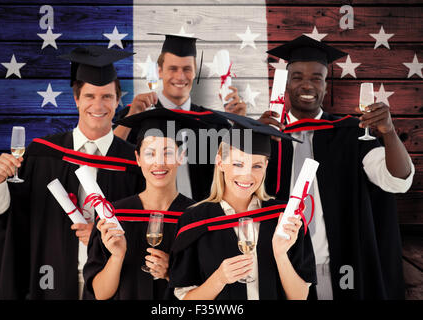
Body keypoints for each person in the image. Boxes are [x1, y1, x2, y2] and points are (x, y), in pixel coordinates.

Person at [0, 46, 144, 299]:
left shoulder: (136, 162)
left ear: (118, 100)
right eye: (90, 96)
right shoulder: (42, 154)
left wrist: (99, 240)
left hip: (114, 285)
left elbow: (150, 226)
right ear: (77, 99)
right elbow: (5, 213)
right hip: (52, 283)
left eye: (107, 97)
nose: (98, 105)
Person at [260, 35, 415, 299]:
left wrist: (388, 132)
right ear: (286, 84)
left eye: (316, 78)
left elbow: (398, 181)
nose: (307, 84)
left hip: (338, 266)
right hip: (280, 266)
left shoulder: (350, 134)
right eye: (297, 76)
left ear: (326, 86)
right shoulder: (266, 135)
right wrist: (250, 135)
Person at [169, 111, 316, 300]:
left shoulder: (284, 217)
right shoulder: (194, 220)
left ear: (266, 167)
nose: (247, 175)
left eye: (257, 166)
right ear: (220, 162)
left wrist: (280, 254)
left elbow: (300, 296)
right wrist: (219, 279)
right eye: (238, 164)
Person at [83, 108, 206, 300]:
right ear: (138, 159)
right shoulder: (114, 215)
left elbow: (209, 290)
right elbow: (100, 294)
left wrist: (170, 274)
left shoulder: (199, 217)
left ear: (181, 157)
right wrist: (117, 256)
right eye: (150, 153)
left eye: (168, 153)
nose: (159, 163)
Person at [113, 33, 245, 201]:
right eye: (173, 68)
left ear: (195, 72)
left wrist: (240, 125)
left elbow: (237, 170)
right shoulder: (136, 116)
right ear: (159, 71)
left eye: (186, 69)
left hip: (199, 218)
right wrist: (131, 118)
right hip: (147, 217)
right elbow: (110, 158)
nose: (180, 76)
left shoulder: (213, 122)